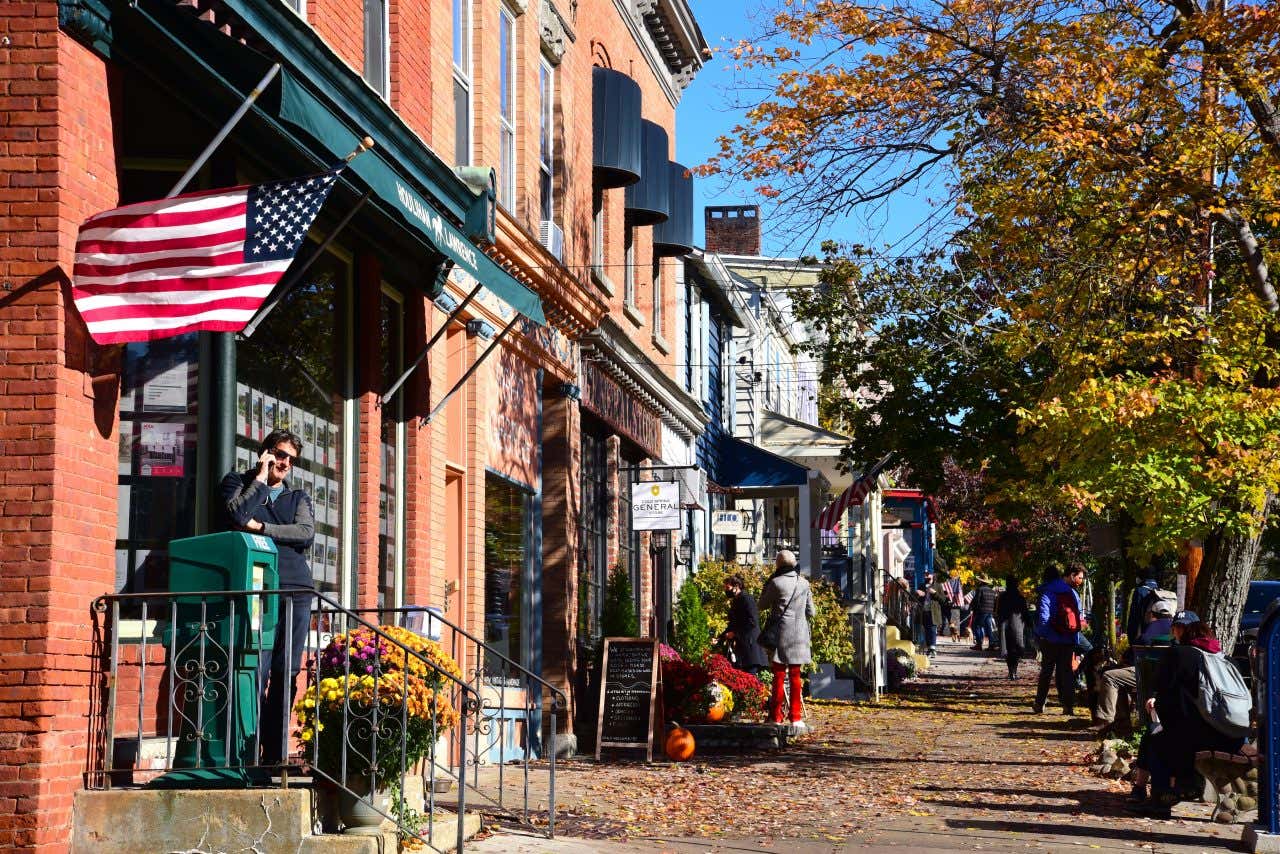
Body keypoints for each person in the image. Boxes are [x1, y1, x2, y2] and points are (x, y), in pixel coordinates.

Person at [221, 428, 316, 766]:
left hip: (296, 591)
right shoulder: (237, 483)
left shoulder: (298, 498)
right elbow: (235, 514)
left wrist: (261, 528)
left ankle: (274, 756)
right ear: (265, 453)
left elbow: (305, 533)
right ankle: (245, 752)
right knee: (254, 668)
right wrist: (259, 480)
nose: (284, 462)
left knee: (286, 671)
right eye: (279, 454)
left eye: (291, 458)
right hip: (255, 590)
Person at [1131, 619, 1247, 818]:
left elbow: (1164, 695)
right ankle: (1157, 791)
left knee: (1157, 740)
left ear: (1185, 637)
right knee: (1163, 737)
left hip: (1197, 736)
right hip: (1234, 736)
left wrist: (1161, 715)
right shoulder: (1228, 661)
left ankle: (1161, 798)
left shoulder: (1178, 654)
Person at [1092, 598, 1175, 735]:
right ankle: (1121, 724)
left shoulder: (1151, 627)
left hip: (1146, 673)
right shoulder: (1175, 627)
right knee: (1118, 679)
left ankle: (1107, 721)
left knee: (1111, 676)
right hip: (1169, 676)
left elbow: (1136, 650)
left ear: (1153, 614)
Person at [758, 550, 815, 732]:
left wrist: (767, 585)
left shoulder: (776, 583)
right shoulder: (804, 583)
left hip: (781, 634)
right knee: (796, 676)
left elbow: (761, 605)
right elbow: (811, 612)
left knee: (779, 676)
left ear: (778, 565)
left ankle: (776, 716)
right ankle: (796, 718)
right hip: (799, 635)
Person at [1034, 563, 1087, 715]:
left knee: (1046, 671)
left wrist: (1042, 634)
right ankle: (1068, 705)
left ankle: (1039, 703)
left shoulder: (1047, 592)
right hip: (1068, 639)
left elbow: (1044, 618)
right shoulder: (1072, 593)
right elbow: (1078, 618)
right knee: (1066, 673)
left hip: (1050, 639)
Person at [720, 574, 767, 675]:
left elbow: (752, 622)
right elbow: (733, 624)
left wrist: (735, 633)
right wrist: (720, 638)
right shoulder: (736, 601)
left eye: (728, 587)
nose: (726, 590)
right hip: (742, 648)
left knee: (750, 680)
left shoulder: (747, 599)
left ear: (736, 586)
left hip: (750, 647)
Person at [995, 577, 1029, 678]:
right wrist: (1029, 623)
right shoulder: (1020, 597)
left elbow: (997, 611)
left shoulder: (1002, 597)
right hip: (1017, 625)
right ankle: (1014, 672)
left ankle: (1011, 672)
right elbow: (1025, 613)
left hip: (1005, 625)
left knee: (1008, 649)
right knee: (1016, 648)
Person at [970, 578, 998, 652]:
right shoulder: (992, 591)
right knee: (988, 627)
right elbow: (995, 602)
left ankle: (979, 644)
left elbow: (976, 601)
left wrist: (973, 609)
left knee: (977, 626)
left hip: (981, 611)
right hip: (990, 611)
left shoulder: (980, 589)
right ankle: (991, 644)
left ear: (981, 582)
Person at [917, 570, 941, 656]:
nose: (926, 577)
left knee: (933, 629)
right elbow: (916, 599)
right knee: (926, 630)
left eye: (928, 575)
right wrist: (918, 594)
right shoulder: (921, 586)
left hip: (934, 611)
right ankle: (929, 648)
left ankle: (933, 648)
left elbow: (943, 600)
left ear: (932, 576)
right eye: (925, 575)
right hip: (924, 611)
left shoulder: (938, 586)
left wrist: (934, 593)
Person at [940, 572, 965, 641]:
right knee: (950, 622)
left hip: (952, 606)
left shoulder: (952, 584)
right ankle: (951, 634)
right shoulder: (947, 584)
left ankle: (955, 635)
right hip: (948, 606)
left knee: (952, 622)